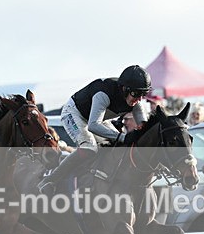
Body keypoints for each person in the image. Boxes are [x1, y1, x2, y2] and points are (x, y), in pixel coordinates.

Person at [37, 65, 151, 193]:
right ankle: (51, 180)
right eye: (137, 94)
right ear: (124, 89)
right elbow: (93, 125)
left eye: (144, 94)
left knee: (119, 145)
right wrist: (122, 136)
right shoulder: (103, 94)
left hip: (98, 117)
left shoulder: (134, 100)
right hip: (74, 113)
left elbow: (144, 127)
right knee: (89, 148)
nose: (139, 99)